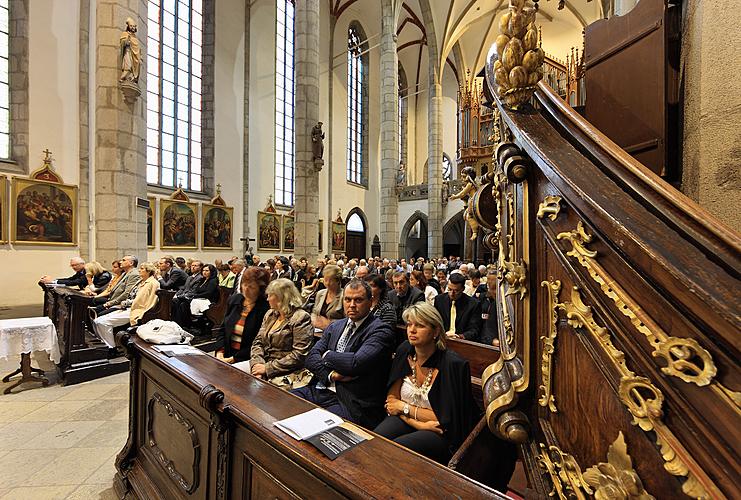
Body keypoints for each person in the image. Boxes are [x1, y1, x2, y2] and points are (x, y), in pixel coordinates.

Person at [374, 302, 478, 464]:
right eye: (409, 324)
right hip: (411, 421)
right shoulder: (404, 350)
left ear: (436, 331)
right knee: (376, 440)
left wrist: (403, 407)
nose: (412, 330)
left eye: (420, 325)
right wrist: (419, 424)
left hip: (442, 433)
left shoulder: (453, 364)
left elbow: (444, 419)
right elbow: (392, 402)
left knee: (397, 449)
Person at [292, 279, 396, 429]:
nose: (352, 305)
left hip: (350, 401)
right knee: (283, 405)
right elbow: (311, 357)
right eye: (348, 299)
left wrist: (326, 354)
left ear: (370, 301)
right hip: (320, 387)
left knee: (315, 429)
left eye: (358, 300)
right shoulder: (336, 325)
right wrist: (331, 375)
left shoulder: (380, 330)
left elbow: (355, 363)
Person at [247, 278, 314, 388]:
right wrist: (257, 364)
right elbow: (257, 342)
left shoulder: (300, 317)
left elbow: (299, 355)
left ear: (281, 297)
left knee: (254, 391)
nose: (267, 299)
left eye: (270, 295)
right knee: (232, 377)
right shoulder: (270, 314)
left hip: (288, 372)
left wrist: (268, 368)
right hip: (262, 363)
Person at [92, 262, 159, 347]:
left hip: (137, 310)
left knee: (102, 322)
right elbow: (132, 295)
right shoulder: (141, 281)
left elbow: (147, 301)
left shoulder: (152, 283)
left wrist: (128, 303)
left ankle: (111, 348)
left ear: (148, 271)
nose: (139, 270)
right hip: (127, 307)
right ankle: (104, 345)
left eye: (142, 268)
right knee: (97, 320)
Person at [217, 267, 271, 365]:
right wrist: (220, 352)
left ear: (261, 289)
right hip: (227, 353)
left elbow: (260, 341)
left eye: (252, 287)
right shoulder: (235, 300)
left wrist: (234, 359)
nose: (246, 289)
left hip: (249, 358)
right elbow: (223, 328)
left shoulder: (266, 308)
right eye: (244, 285)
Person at [434, 273, 482, 340]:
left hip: (462, 342)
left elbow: (474, 330)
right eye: (449, 289)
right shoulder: (439, 300)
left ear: (463, 289)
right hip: (442, 339)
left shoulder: (473, 304)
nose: (451, 294)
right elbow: (435, 322)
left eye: (456, 291)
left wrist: (460, 336)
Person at [173, 264, 220, 329]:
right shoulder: (203, 279)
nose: (204, 272)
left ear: (212, 271)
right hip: (199, 299)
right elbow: (197, 290)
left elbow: (208, 293)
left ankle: (187, 325)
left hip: (208, 300)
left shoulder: (213, 280)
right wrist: (194, 295)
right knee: (181, 303)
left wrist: (195, 296)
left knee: (184, 304)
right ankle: (182, 324)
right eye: (203, 270)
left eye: (207, 270)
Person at [311, 264, 344, 330]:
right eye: (325, 280)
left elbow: (346, 320)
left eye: (331, 280)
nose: (327, 283)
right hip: (316, 332)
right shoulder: (320, 293)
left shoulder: (344, 296)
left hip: (335, 332)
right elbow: (314, 314)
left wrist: (328, 324)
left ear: (338, 281)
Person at [477, 269, 500, 347]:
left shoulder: (500, 302)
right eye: (488, 287)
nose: (491, 291)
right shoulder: (482, 297)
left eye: (494, 288)